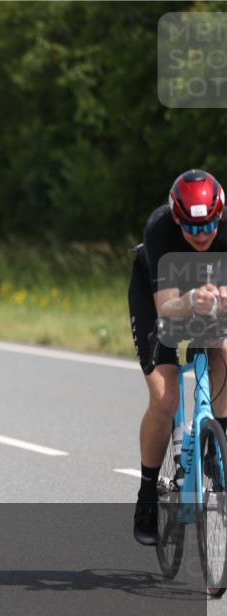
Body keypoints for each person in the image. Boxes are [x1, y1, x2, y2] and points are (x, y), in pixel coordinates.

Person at [128, 168, 227, 545]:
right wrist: (190, 301)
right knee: (165, 397)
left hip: (210, 294)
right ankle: (147, 494)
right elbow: (167, 308)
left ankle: (219, 446)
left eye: (209, 228)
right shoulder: (160, 228)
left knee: (223, 350)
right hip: (161, 301)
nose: (201, 237)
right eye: (192, 229)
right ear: (176, 219)